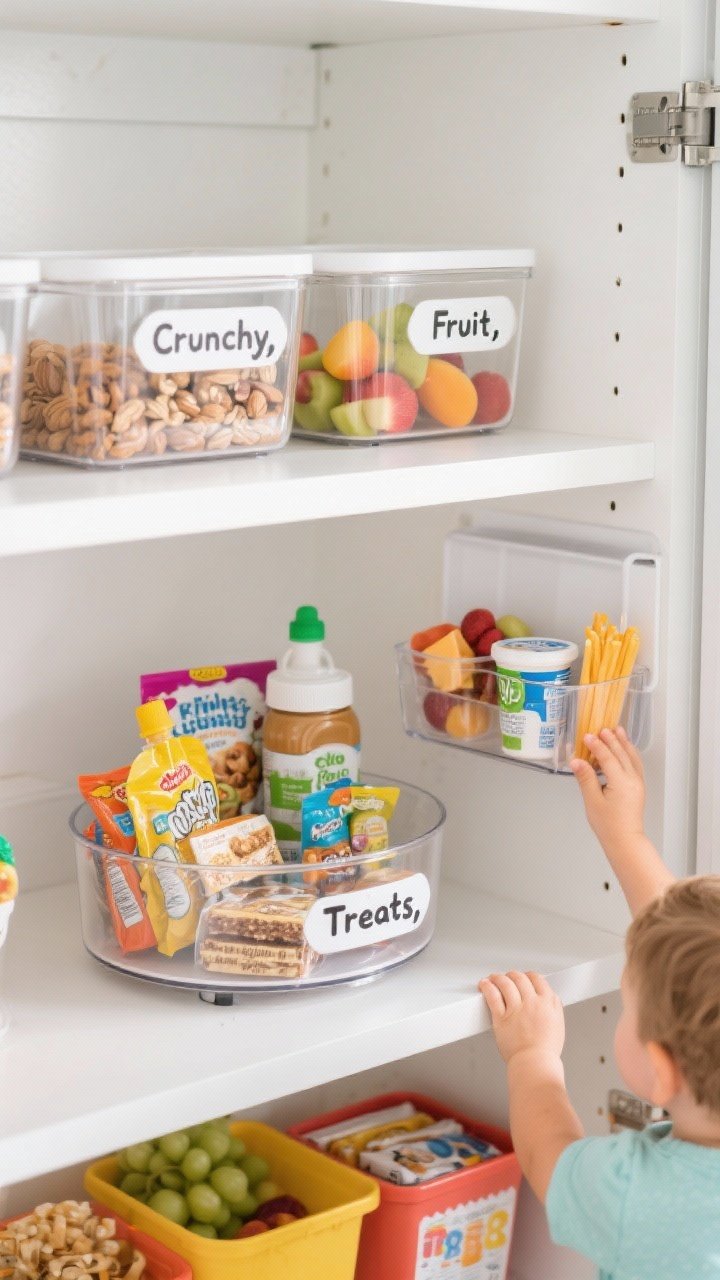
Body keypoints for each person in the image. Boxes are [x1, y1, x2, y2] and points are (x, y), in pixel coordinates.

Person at [479, 726, 720, 1279]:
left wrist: (532, 1057)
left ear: (660, 1071)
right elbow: (690, 956)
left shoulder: (636, 1193)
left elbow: (547, 1156)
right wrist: (624, 837)